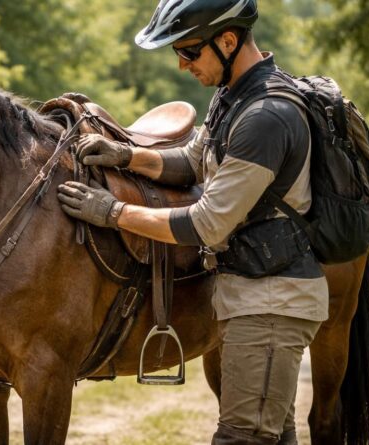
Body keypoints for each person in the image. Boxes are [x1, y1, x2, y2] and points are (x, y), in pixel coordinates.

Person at [56, 0, 329, 444]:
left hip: (272, 302)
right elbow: (194, 160)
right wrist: (129, 156)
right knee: (273, 437)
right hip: (255, 294)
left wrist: (113, 213)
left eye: (188, 51)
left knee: (241, 437)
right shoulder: (235, 96)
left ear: (227, 41)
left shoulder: (266, 117)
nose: (182, 66)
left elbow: (207, 223)